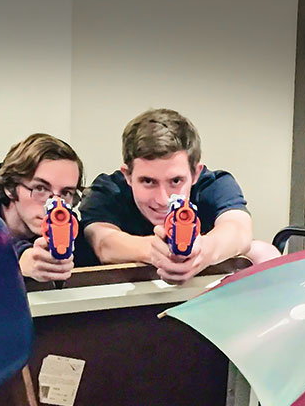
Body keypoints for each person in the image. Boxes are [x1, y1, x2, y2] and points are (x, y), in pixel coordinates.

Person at [80, 108, 279, 285]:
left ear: (195, 174)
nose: (163, 199)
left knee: (263, 252)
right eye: (148, 181)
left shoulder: (214, 185)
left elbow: (238, 229)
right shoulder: (108, 191)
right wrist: (155, 252)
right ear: (127, 176)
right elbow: (103, 242)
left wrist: (203, 251)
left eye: (175, 181)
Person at [0, 133, 97, 282]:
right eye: (40, 188)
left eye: (66, 193)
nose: (53, 203)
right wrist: (19, 257)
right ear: (10, 187)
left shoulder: (70, 229)